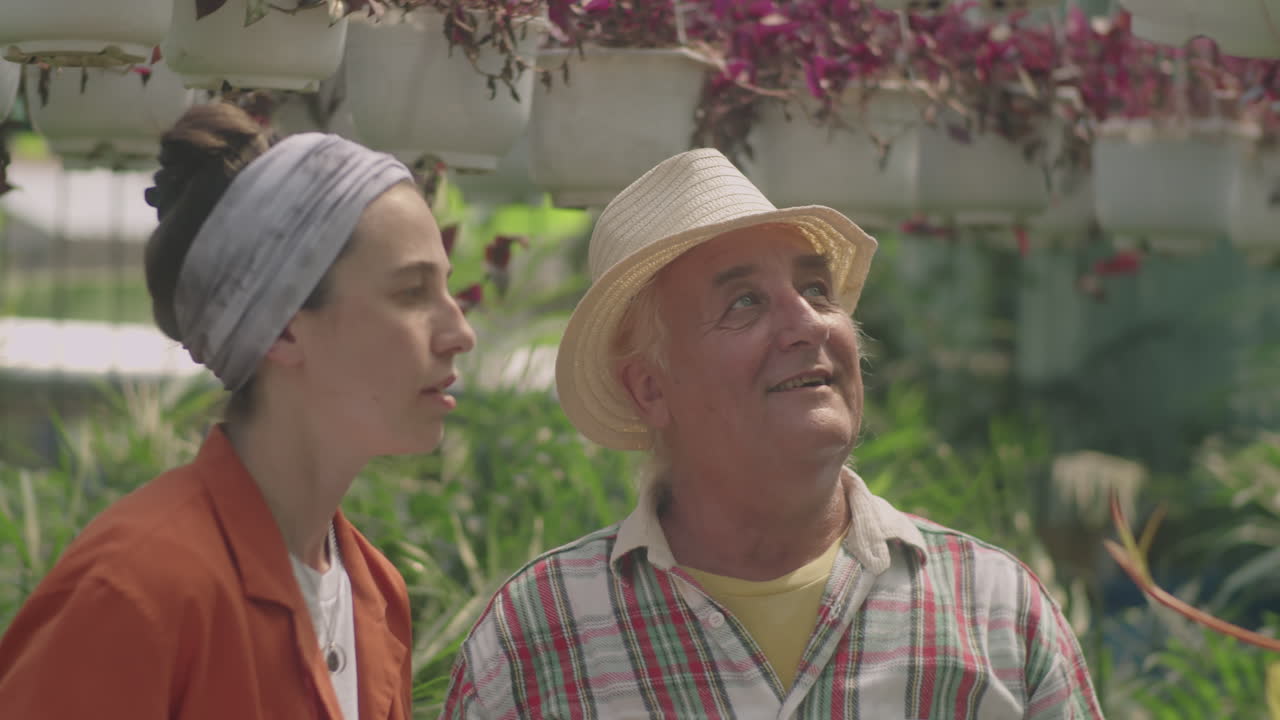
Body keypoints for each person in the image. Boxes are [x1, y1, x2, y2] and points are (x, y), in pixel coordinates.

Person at [441, 148, 1104, 719]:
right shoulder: (537, 637)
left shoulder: (994, 612)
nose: (809, 324)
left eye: (817, 289)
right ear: (650, 388)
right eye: (745, 302)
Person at [0, 102, 476, 719]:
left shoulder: (375, 594)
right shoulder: (134, 590)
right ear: (283, 330)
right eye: (412, 292)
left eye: (447, 287)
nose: (459, 331)